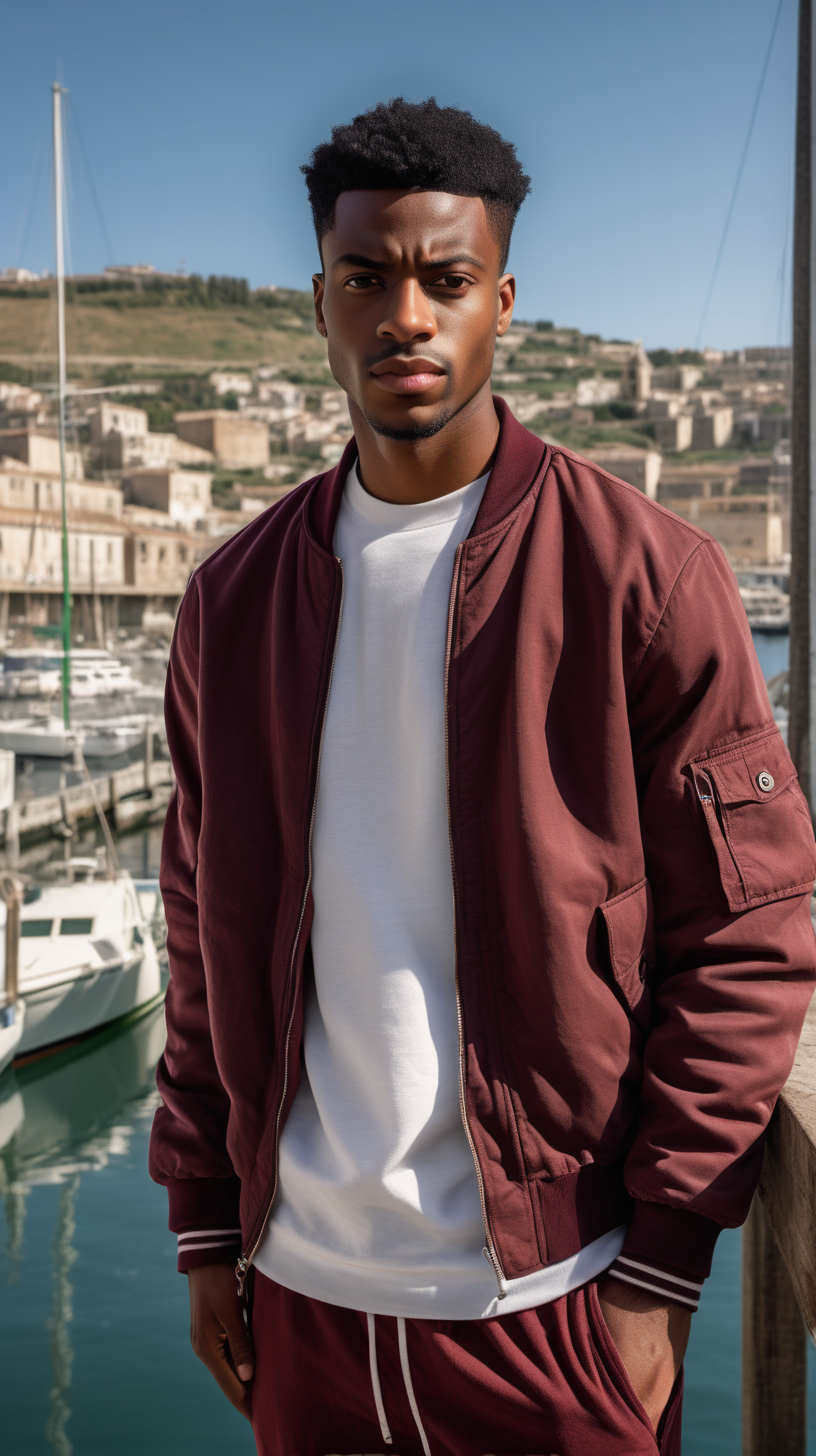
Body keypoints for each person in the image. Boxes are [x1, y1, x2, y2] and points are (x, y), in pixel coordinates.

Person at [149, 98, 816, 1456]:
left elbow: (749, 933)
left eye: (446, 281)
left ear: (501, 301)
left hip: (559, 1306)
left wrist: (661, 1265)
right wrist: (209, 1224)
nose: (407, 316)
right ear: (320, 301)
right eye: (366, 279)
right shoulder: (230, 601)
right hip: (302, 1302)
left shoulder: (646, 579)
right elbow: (193, 931)